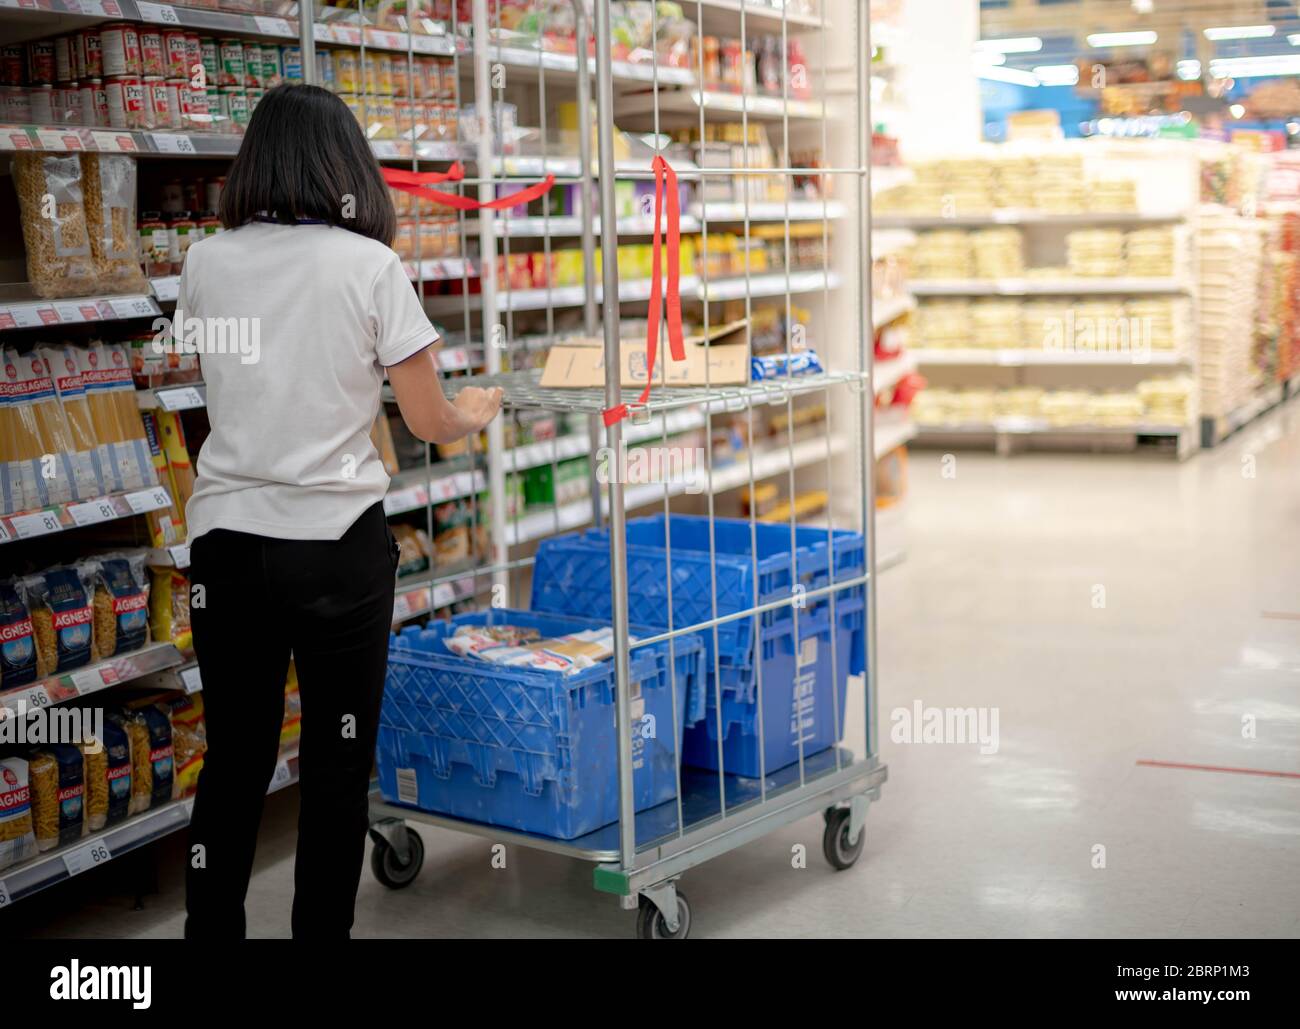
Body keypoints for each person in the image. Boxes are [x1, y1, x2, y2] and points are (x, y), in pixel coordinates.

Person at [178, 84, 501, 939]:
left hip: (229, 544)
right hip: (335, 551)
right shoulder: (369, 267)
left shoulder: (207, 262)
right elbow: (429, 420)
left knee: (236, 759)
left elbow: (209, 393)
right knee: (334, 759)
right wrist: (482, 408)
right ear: (347, 168)